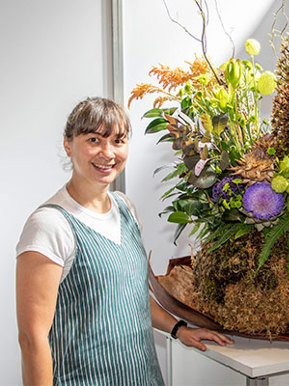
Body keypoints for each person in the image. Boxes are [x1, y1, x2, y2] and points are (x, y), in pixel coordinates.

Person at [16, 97, 233, 385]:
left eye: (118, 141)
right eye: (94, 139)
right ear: (68, 145)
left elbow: (131, 299)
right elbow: (33, 339)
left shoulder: (125, 208)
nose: (108, 153)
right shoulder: (50, 225)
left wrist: (178, 328)